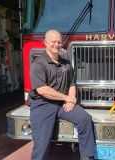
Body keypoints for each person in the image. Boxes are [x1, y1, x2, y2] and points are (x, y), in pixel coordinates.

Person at [29, 29, 95, 160]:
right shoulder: (38, 64)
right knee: (42, 143)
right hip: (43, 105)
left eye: (59, 42)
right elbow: (43, 90)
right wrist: (67, 98)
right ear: (45, 43)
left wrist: (71, 100)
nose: (57, 45)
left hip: (63, 104)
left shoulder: (66, 63)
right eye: (53, 42)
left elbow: (72, 83)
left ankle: (87, 156)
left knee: (85, 119)